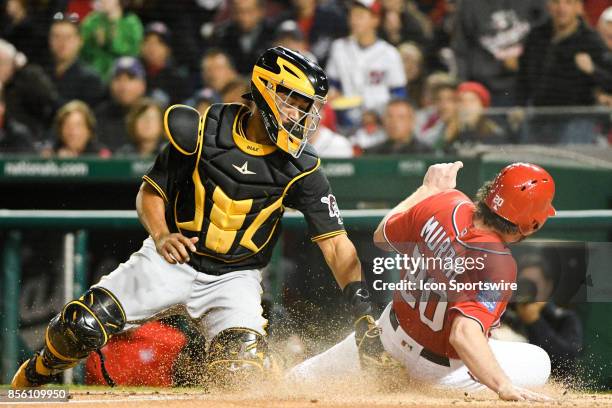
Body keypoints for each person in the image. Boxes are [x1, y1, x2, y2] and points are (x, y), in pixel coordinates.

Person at [11, 46, 377, 391]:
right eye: (291, 103)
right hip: (173, 259)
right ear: (265, 88)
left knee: (241, 371)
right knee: (80, 327)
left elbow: (336, 245)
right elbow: (151, 192)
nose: (298, 115)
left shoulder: (304, 167)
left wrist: (362, 308)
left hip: (235, 277)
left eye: (304, 107)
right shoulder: (202, 130)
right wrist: (161, 234)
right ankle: (33, 377)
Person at [290, 161, 557, 402]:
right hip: (437, 373)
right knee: (539, 361)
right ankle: (417, 392)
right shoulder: (499, 263)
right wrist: (503, 386)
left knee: (294, 382)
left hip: (384, 340)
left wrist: (427, 189)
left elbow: (382, 236)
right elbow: (463, 335)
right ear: (531, 225)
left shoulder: (446, 201)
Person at [326, 0, 407, 125]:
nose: (353, 21)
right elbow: (332, 84)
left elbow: (398, 94)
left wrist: (382, 116)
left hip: (379, 125)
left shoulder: (390, 54)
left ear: (375, 20)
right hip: (346, 120)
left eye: (360, 16)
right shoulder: (339, 47)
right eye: (351, 15)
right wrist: (332, 93)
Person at [452, 0, 547, 106]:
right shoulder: (469, 4)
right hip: (485, 88)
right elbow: (461, 50)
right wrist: (464, 86)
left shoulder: (536, 3)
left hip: (527, 88)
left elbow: (548, 36)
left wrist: (525, 61)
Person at [0, 39, 60, 145]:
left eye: (2, 63)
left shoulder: (28, 79)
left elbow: (49, 98)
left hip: (27, 142)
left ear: (13, 64)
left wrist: (24, 68)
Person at [45, 12, 105, 108]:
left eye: (68, 37)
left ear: (80, 41)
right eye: (56, 37)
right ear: (49, 40)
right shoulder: (43, 73)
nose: (62, 43)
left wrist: (51, 97)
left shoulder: (90, 79)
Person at [80, 0, 144, 81]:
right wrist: (94, 43)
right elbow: (82, 52)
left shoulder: (132, 23)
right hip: (95, 76)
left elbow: (134, 52)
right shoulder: (91, 21)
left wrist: (114, 41)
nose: (103, 1)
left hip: (122, 77)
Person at [210, 0, 276, 76]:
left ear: (261, 11)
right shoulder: (222, 34)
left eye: (249, 11)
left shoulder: (274, 33)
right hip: (231, 84)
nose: (243, 17)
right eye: (238, 11)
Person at [94, 56, 147, 151]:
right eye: (118, 78)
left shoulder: (153, 114)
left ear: (143, 85)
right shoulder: (99, 115)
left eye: (130, 78)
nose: (123, 86)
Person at [140, 21, 190, 106]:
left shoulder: (176, 80)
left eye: (159, 43)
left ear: (168, 50)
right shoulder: (134, 74)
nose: (152, 47)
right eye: (147, 41)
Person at [446, 81, 506, 151]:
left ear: (482, 106)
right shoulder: (450, 130)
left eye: (472, 101)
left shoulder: (493, 131)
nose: (466, 105)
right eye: (461, 100)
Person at [45, 100, 111, 158]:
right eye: (68, 126)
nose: (72, 132)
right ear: (60, 130)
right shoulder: (50, 154)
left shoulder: (102, 156)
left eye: (78, 126)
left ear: (89, 130)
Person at [364, 99, 431, 155]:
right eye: (389, 117)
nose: (393, 122)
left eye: (400, 117)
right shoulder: (371, 153)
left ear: (412, 121)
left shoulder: (427, 153)